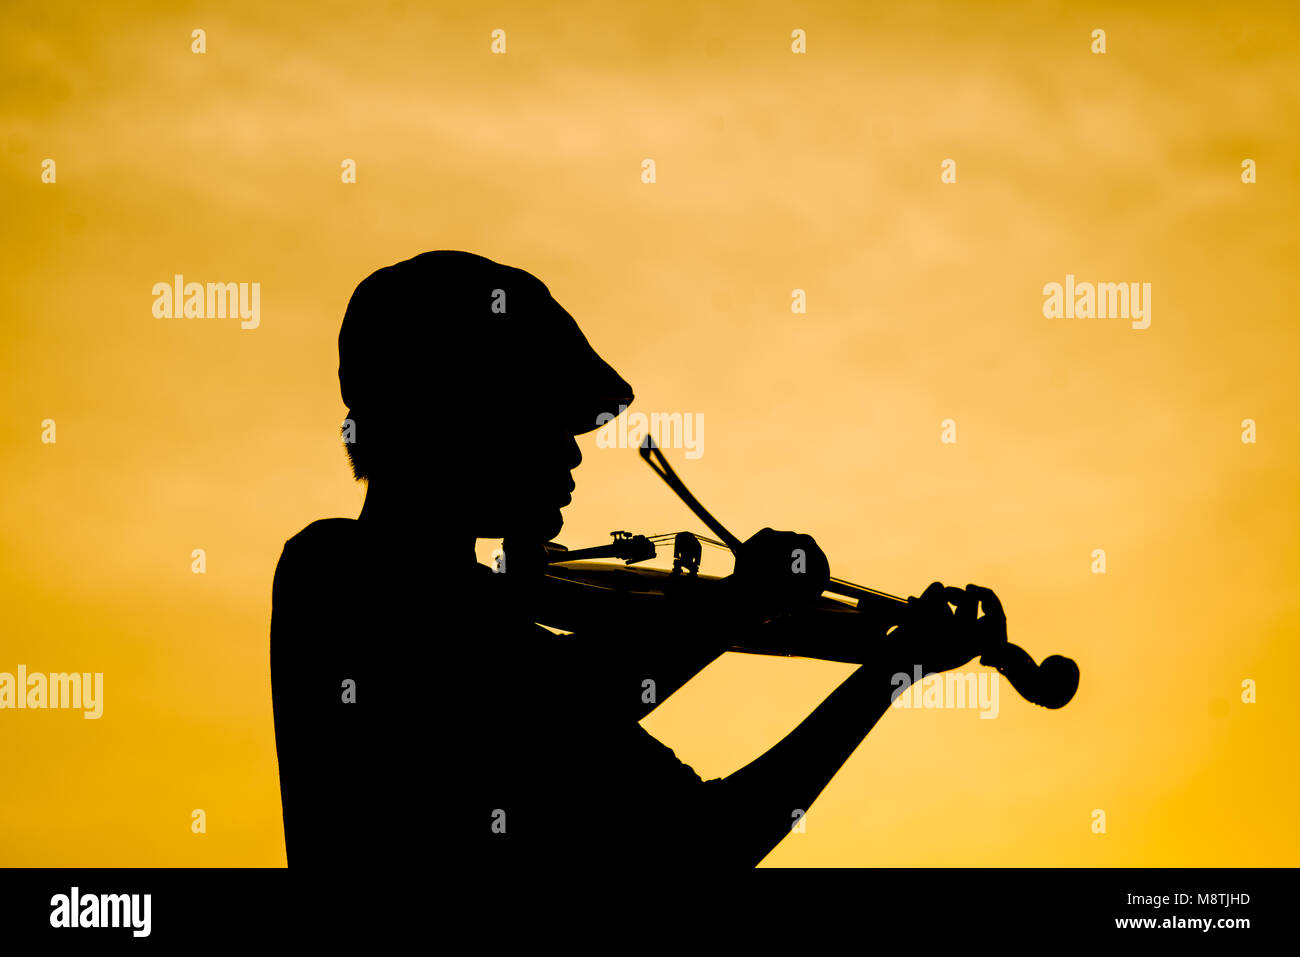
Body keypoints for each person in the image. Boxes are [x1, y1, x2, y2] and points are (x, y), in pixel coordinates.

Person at [269, 250, 1007, 871]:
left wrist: (890, 670)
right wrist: (736, 602)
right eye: (540, 415)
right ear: (456, 410)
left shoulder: (501, 635)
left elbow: (711, 840)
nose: (570, 449)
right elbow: (551, 703)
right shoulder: (332, 572)